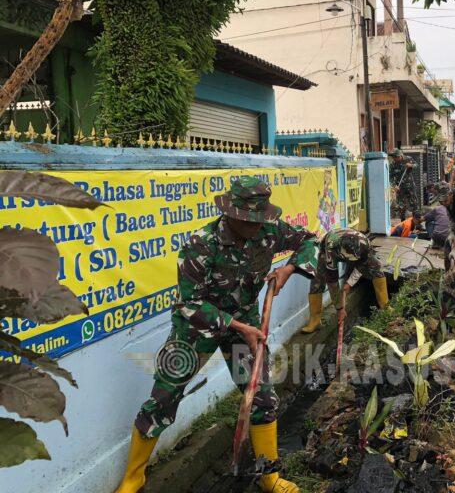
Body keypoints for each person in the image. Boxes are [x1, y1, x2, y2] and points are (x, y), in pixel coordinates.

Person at [115, 177, 317, 493]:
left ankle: (269, 477)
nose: (255, 227)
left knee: (262, 396)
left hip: (245, 327)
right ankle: (132, 480)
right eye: (249, 221)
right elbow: (190, 304)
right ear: (232, 214)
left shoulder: (270, 232)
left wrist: (288, 269)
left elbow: (309, 240)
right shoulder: (200, 245)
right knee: (163, 398)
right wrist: (239, 328)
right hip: (197, 329)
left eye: (259, 220)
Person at [302, 228, 388, 333]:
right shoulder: (331, 249)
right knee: (318, 278)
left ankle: (385, 306)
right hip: (327, 245)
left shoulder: (365, 245)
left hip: (350, 246)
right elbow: (332, 281)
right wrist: (340, 308)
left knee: (377, 269)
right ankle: (315, 320)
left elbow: (362, 265)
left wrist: (349, 283)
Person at [389, 149, 419, 220]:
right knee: (401, 206)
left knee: (414, 205)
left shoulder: (408, 159)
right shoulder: (393, 164)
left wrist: (411, 165)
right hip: (400, 188)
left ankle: (418, 224)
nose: (394, 159)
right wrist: (394, 186)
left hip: (410, 187)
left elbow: (417, 166)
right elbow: (390, 177)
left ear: (400, 156)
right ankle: (403, 224)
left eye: (395, 157)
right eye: (393, 157)